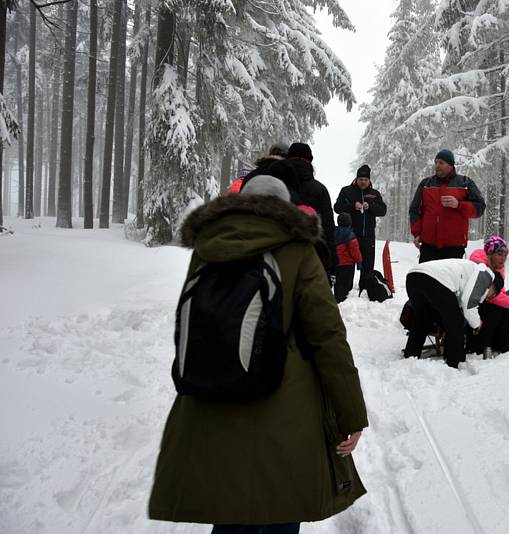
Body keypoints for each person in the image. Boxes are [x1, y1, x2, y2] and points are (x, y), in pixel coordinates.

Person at [149, 175, 368, 533]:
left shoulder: (208, 248)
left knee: (230, 510)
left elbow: (188, 325)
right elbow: (328, 337)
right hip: (284, 406)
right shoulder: (298, 249)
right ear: (285, 208)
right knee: (281, 505)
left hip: (211, 400)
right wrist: (350, 415)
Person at [403, 258, 502, 369]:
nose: (491, 297)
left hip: (413, 277)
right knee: (457, 322)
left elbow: (456, 302)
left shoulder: (470, 271)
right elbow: (469, 303)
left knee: (422, 319)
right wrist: (477, 324)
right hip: (435, 279)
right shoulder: (486, 275)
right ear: (493, 286)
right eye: (494, 294)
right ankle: (456, 363)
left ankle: (410, 357)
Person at [409, 149, 486, 263]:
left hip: (454, 247)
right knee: (425, 280)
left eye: (441, 163)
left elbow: (480, 208)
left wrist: (458, 205)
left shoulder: (465, 183)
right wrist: (417, 233)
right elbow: (414, 210)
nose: (437, 165)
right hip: (428, 247)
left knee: (449, 281)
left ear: (450, 165)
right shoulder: (426, 184)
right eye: (436, 162)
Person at [467, 236, 509, 357]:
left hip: (485, 303)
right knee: (494, 309)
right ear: (490, 253)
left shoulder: (498, 269)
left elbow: (499, 293)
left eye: (505, 255)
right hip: (470, 307)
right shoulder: (479, 265)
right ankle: (480, 346)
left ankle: (500, 345)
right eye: (499, 254)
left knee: (507, 310)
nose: (503, 258)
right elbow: (493, 297)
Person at [286, 142, 337, 281]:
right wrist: (331, 262)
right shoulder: (320, 189)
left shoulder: (278, 185)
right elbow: (328, 227)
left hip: (281, 256)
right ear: (310, 161)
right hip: (313, 256)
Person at [334, 164, 387, 290]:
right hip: (350, 235)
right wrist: (353, 206)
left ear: (369, 180)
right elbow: (337, 208)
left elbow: (383, 211)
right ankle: (346, 289)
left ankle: (365, 288)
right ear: (356, 179)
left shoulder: (374, 194)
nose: (363, 182)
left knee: (368, 265)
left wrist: (371, 207)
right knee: (348, 264)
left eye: (365, 179)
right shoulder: (346, 191)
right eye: (361, 179)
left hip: (368, 236)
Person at [334, 213, 363, 303]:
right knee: (346, 284)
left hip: (336, 263)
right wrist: (359, 261)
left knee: (338, 282)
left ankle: (337, 297)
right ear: (349, 222)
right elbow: (355, 251)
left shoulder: (334, 233)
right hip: (348, 264)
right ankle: (344, 300)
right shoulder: (350, 234)